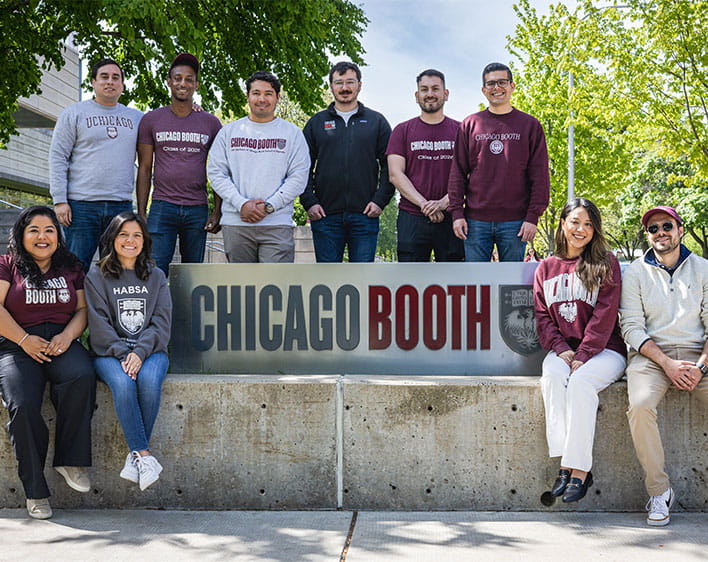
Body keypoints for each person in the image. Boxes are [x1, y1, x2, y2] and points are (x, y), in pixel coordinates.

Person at [0, 206, 96, 519]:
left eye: (49, 230)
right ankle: (35, 490)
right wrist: (24, 340)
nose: (43, 236)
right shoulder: (7, 265)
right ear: (21, 235)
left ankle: (70, 460)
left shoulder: (70, 265)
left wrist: (68, 337)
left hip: (59, 341)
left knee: (81, 375)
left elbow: (82, 310)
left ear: (58, 235)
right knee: (24, 404)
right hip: (15, 344)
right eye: (34, 230)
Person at [619, 205, 708, 526]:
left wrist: (700, 367)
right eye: (653, 229)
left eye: (666, 226)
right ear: (648, 236)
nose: (660, 233)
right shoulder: (634, 273)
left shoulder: (703, 269)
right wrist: (668, 364)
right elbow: (631, 327)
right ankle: (659, 492)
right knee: (640, 407)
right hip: (652, 357)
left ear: (680, 229)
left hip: (699, 354)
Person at [534, 198, 626, 503]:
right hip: (564, 351)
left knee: (581, 384)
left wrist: (585, 354)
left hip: (605, 351)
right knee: (551, 379)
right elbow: (542, 316)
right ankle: (566, 459)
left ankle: (577, 471)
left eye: (588, 224)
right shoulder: (546, 268)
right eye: (575, 221)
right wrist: (562, 349)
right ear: (563, 223)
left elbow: (605, 315)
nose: (581, 229)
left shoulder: (605, 263)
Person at [85, 212, 172, 491]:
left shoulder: (156, 276)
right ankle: (144, 456)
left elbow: (161, 322)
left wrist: (140, 352)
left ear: (144, 241)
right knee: (123, 383)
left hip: (152, 351)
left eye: (136, 235)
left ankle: (135, 455)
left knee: (148, 380)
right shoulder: (97, 275)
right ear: (112, 239)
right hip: (109, 353)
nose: (130, 241)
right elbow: (98, 324)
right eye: (123, 235)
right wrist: (124, 353)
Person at [448, 62, 550, 262]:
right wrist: (457, 213)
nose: (497, 88)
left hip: (516, 222)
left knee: (511, 288)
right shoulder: (470, 124)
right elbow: (457, 172)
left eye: (502, 82)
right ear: (483, 90)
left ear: (512, 85)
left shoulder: (530, 125)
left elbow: (539, 175)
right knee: (476, 287)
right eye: (491, 83)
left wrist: (532, 217)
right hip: (475, 221)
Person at [49, 58, 143, 271]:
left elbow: (163, 126)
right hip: (81, 206)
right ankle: (75, 306)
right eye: (104, 77)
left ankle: (109, 306)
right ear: (93, 81)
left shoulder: (137, 118)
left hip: (120, 205)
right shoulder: (74, 114)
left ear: (122, 84)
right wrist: (59, 200)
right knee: (74, 269)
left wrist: (193, 109)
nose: (110, 82)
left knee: (118, 270)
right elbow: (58, 156)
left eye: (115, 77)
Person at [207, 71, 310, 263]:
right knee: (241, 288)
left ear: (278, 97)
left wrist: (269, 207)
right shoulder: (228, 132)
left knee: (276, 289)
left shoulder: (292, 134)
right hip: (236, 223)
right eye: (256, 93)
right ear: (247, 96)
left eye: (268, 93)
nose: (262, 99)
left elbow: (299, 176)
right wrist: (241, 204)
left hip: (277, 224)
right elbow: (216, 173)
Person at [137, 53, 223, 276]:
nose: (182, 83)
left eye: (188, 79)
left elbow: (219, 170)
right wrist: (141, 212)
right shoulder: (151, 120)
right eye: (177, 78)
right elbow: (144, 168)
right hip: (162, 205)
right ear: (168, 81)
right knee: (154, 271)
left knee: (192, 275)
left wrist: (217, 211)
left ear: (196, 84)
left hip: (197, 208)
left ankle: (188, 313)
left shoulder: (211, 123)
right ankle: (158, 312)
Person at [301, 61, 395, 262]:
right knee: (327, 283)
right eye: (339, 83)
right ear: (331, 86)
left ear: (359, 85)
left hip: (365, 216)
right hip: (325, 216)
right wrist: (309, 201)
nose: (345, 88)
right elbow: (301, 167)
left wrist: (380, 200)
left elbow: (390, 166)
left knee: (362, 281)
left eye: (350, 82)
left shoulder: (376, 121)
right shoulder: (316, 123)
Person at [386, 69, 464, 262]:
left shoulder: (462, 130)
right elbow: (395, 174)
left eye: (436, 88)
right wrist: (424, 204)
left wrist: (444, 203)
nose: (430, 93)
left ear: (446, 94)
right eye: (424, 89)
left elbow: (469, 175)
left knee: (453, 284)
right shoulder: (402, 130)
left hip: (452, 217)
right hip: (412, 217)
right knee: (410, 283)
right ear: (416, 95)